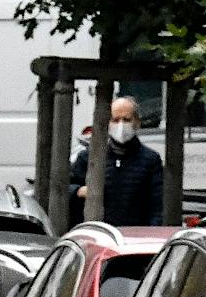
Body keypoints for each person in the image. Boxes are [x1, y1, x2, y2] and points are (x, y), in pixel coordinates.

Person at [68, 96, 165, 227]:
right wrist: (78, 191)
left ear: (136, 122)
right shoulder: (88, 157)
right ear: (108, 123)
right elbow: (66, 189)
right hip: (98, 233)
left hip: (135, 235)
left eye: (126, 119)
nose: (121, 125)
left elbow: (157, 205)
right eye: (116, 120)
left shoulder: (150, 160)